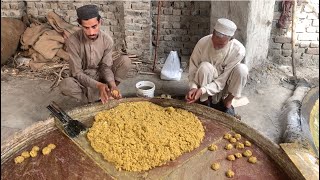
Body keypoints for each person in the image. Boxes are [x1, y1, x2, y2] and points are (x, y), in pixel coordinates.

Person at [59, 5, 132, 104]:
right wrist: (98, 85)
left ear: (100, 22)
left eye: (94, 26)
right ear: (80, 25)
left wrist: (113, 84)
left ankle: (109, 91)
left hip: (101, 74)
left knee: (125, 61)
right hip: (84, 78)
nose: (91, 32)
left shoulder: (107, 40)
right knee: (65, 85)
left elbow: (105, 67)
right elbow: (77, 73)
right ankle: (89, 101)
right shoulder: (72, 41)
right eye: (86, 28)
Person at [185, 18, 248, 116]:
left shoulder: (238, 50)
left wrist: (202, 90)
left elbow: (222, 81)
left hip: (225, 84)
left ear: (230, 40)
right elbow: (193, 68)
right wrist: (194, 87)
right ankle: (204, 102)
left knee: (242, 70)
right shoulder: (203, 42)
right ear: (212, 34)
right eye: (214, 41)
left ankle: (227, 103)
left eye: (220, 44)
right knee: (204, 67)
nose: (215, 45)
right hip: (204, 80)